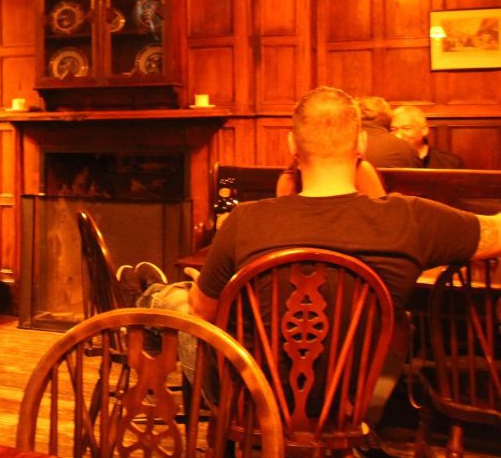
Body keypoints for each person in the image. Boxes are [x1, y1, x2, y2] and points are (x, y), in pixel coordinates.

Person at [188, 86, 501, 424]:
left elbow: (203, 309)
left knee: (179, 307)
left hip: (258, 406)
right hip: (357, 405)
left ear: (292, 146)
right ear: (362, 146)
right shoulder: (411, 219)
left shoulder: (244, 221)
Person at [391, 104, 465, 169]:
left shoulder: (451, 163)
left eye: (406, 128)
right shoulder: (387, 162)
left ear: (424, 129)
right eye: (393, 129)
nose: (398, 135)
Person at [357, 96, 421, 168]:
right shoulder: (406, 149)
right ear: (388, 119)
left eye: (406, 128)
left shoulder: (344, 143)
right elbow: (417, 179)